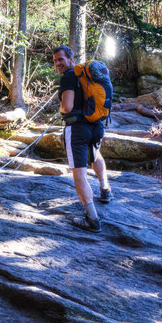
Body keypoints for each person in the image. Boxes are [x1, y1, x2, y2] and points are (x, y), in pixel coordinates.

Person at [52, 45, 112, 233]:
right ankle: (105, 189)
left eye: (60, 59)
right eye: (55, 61)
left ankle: (92, 219)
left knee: (79, 173)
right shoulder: (86, 76)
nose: (57, 64)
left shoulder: (69, 77)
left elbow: (67, 107)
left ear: (71, 59)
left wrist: (60, 110)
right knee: (95, 154)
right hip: (96, 125)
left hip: (77, 129)